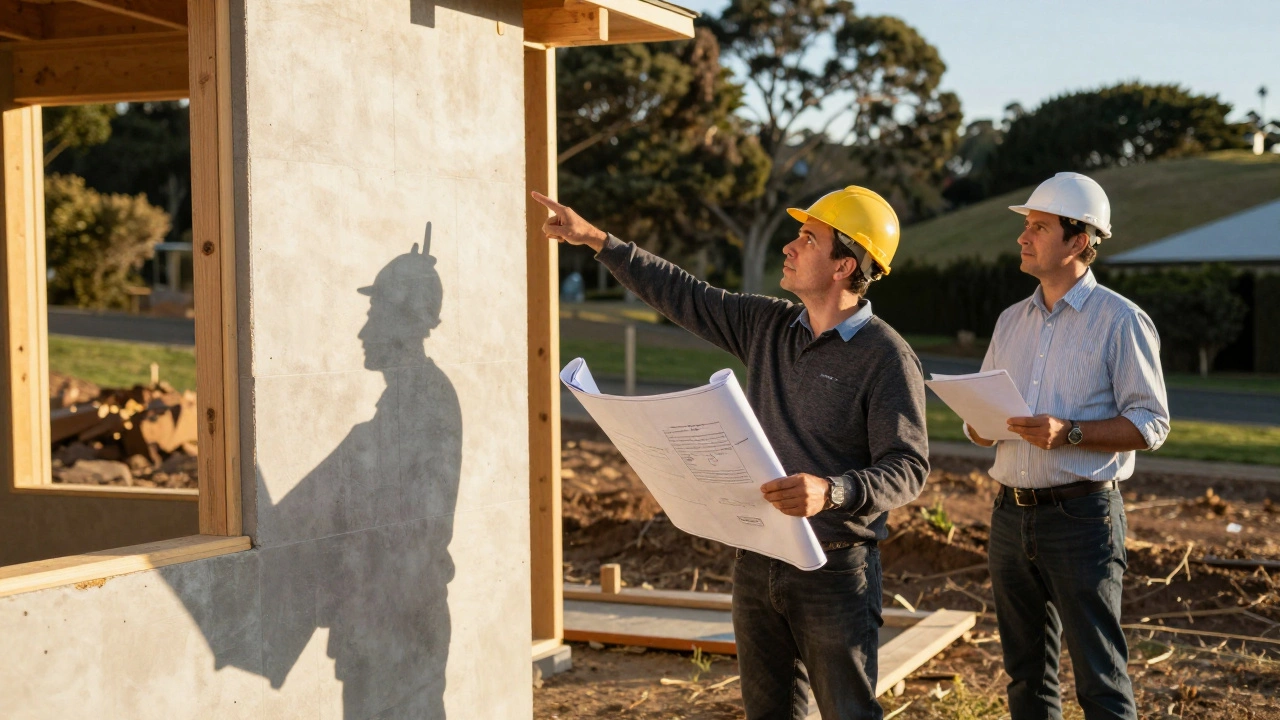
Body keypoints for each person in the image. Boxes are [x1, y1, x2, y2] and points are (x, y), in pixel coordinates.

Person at [533, 187, 929, 720]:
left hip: (835, 572)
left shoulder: (886, 356)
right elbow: (684, 293)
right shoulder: (768, 325)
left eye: (808, 239)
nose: (789, 247)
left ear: (844, 265)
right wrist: (597, 241)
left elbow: (908, 467)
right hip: (756, 562)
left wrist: (831, 491)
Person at [965, 172, 1170, 720]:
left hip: (1083, 519)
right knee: (1025, 678)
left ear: (1078, 241)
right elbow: (982, 420)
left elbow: (1151, 422)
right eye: (1025, 226)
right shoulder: (1011, 321)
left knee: (1100, 680)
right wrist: (979, 424)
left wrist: (1071, 432)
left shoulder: (1121, 321)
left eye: (1038, 226)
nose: (1022, 237)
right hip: (1010, 517)